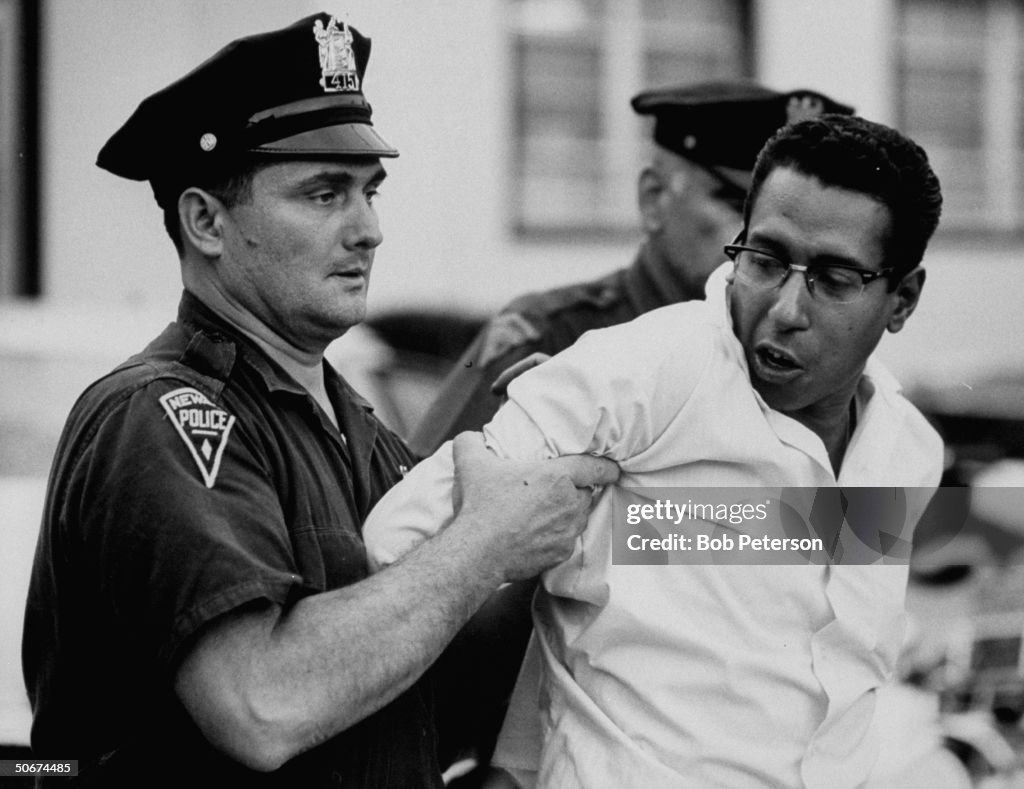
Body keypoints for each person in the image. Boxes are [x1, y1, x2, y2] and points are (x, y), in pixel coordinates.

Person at [21, 14, 617, 787]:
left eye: (369, 192)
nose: (368, 229)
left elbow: (435, 680)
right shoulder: (161, 415)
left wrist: (556, 484)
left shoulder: (360, 430)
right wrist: (484, 543)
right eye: (324, 193)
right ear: (206, 220)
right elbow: (261, 704)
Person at [364, 113, 945, 787]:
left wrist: (642, 527)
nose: (786, 308)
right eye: (763, 260)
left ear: (902, 299)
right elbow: (397, 537)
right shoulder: (635, 374)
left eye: (834, 278)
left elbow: (824, 649)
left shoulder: (906, 452)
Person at [408, 82, 853, 458]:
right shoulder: (548, 336)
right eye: (739, 206)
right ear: (654, 199)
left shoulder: (804, 364)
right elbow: (414, 520)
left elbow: (862, 542)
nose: (765, 238)